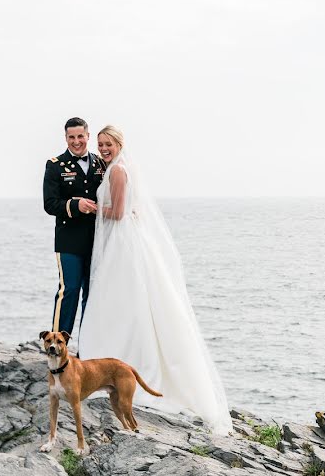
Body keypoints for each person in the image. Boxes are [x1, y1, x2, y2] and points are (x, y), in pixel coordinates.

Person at [78, 125, 232, 435]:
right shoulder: (120, 167)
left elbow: (119, 213)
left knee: (120, 300)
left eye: (109, 143)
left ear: (120, 144)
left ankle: (122, 361)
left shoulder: (119, 171)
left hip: (122, 244)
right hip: (125, 242)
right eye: (101, 144)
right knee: (125, 302)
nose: (104, 148)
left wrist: (92, 208)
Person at [43, 117, 106, 338]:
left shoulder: (100, 163)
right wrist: (75, 205)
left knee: (92, 293)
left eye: (81, 136)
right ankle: (58, 345)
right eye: (72, 137)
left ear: (88, 136)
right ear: (66, 138)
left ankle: (87, 345)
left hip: (97, 239)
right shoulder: (55, 165)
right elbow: (50, 204)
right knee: (68, 291)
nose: (76, 141)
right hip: (69, 240)